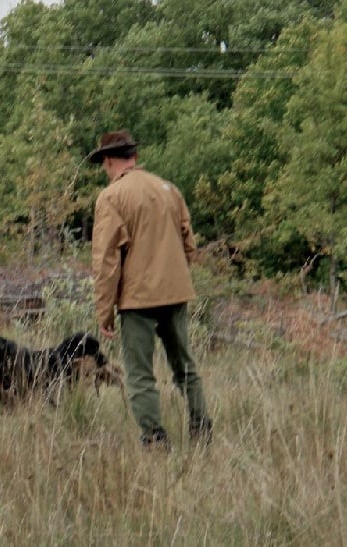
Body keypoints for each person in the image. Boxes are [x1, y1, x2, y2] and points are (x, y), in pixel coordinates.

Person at [88, 130, 212, 449]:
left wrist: (104, 312)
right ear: (135, 157)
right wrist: (172, 275)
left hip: (137, 299)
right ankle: (202, 430)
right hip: (176, 293)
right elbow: (189, 245)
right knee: (185, 366)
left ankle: (155, 440)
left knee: (140, 374)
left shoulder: (111, 197)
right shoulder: (169, 189)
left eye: (103, 163)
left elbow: (106, 261)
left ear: (109, 160)